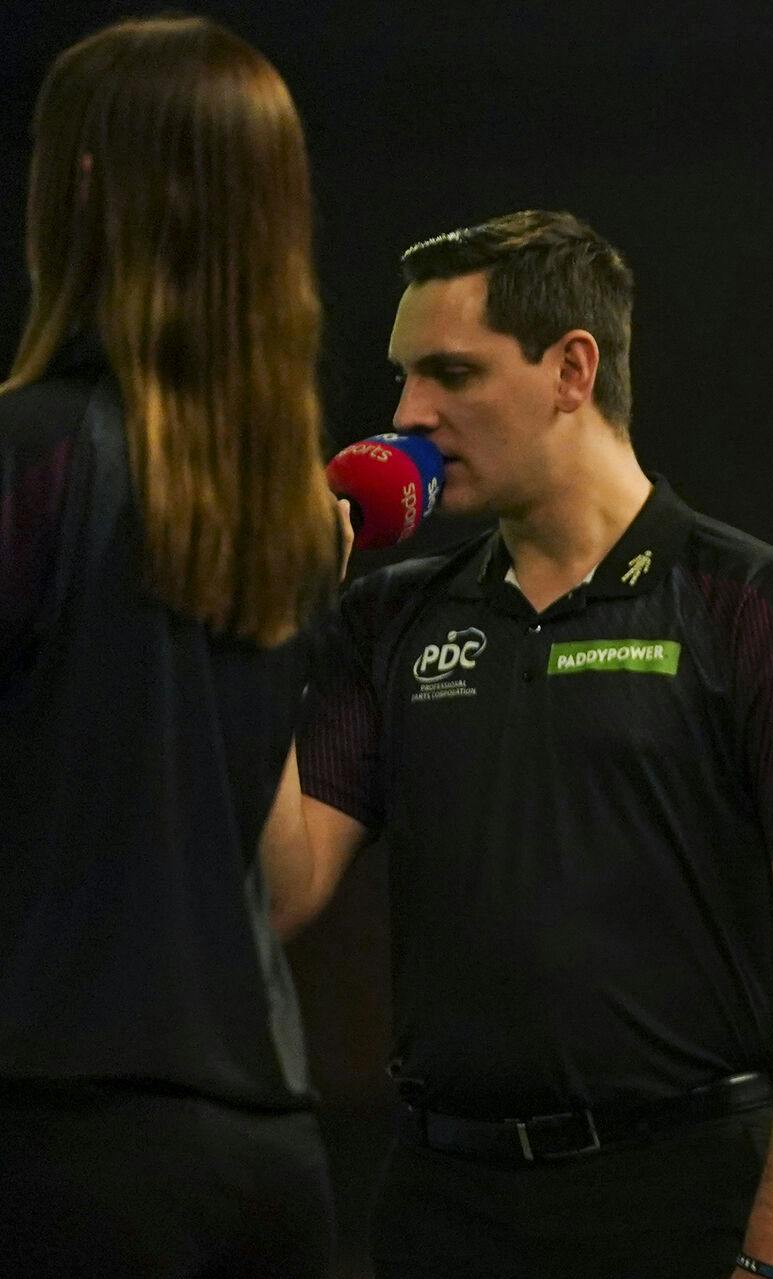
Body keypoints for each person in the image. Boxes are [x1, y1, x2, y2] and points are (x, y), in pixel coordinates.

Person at [282, 210, 773, 1279]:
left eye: (451, 374)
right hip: (441, 1202)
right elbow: (283, 884)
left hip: (682, 1201)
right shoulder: (386, 621)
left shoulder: (756, 604)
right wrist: (253, 626)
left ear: (573, 368)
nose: (407, 416)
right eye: (403, 378)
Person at [0, 15, 340, 1277]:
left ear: (79, 187)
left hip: (51, 1145)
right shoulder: (295, 523)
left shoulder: (27, 459)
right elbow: (286, 875)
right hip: (268, 1159)